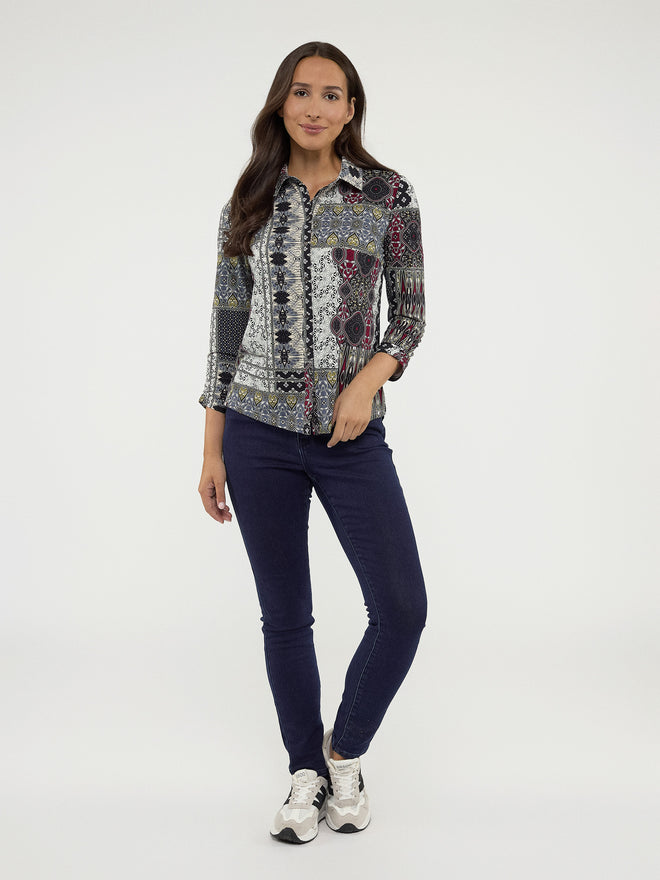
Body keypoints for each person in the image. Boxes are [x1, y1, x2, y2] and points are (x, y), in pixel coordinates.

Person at [197, 41, 427, 844]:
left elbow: (410, 315)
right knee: (286, 616)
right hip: (255, 435)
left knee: (401, 608)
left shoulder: (388, 195)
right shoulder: (248, 201)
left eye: (332, 94)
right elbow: (225, 333)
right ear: (280, 102)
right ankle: (303, 771)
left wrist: (365, 385)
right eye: (301, 92)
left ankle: (343, 752)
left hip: (351, 438)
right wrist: (212, 449)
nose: (315, 107)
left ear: (351, 108)